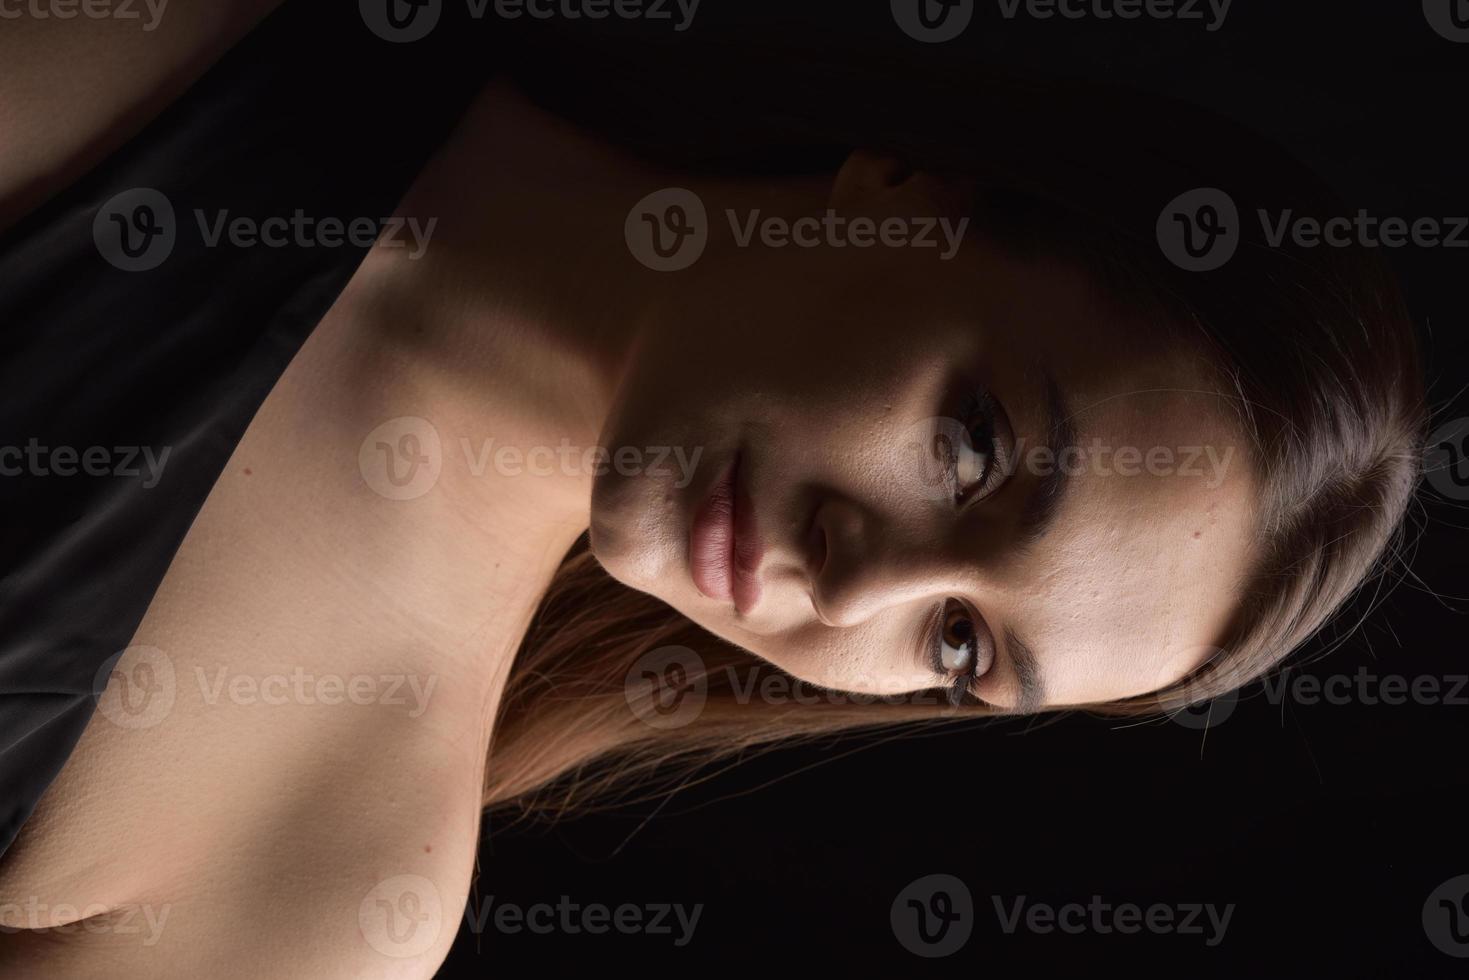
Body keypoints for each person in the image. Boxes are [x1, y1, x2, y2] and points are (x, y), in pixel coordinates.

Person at [0, 3, 1425, 976]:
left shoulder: (325, 879)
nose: (858, 580)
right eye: (976, 447)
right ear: (909, 188)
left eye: (954, 648)